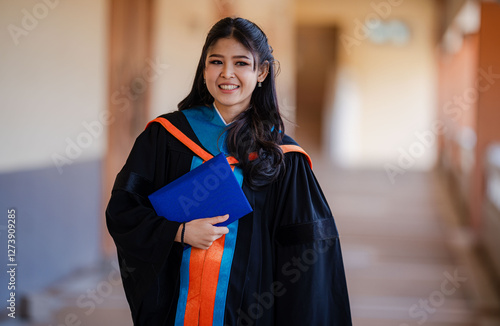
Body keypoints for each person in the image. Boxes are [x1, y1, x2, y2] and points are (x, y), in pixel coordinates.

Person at [106, 17, 351, 326]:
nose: (227, 73)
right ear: (204, 69)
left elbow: (308, 256)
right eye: (216, 62)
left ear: (261, 72)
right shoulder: (166, 137)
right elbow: (123, 209)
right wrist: (178, 232)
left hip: (250, 310)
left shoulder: (283, 157)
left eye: (241, 63)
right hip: (175, 308)